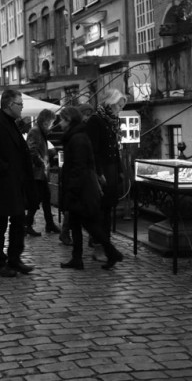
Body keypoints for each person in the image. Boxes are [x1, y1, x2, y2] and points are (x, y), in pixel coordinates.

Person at [0, 89, 36, 278]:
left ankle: (14, 258)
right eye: (20, 104)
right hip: (2, 185)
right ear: (10, 105)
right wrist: (4, 168)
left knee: (18, 221)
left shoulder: (10, 123)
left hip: (15, 184)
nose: (22, 108)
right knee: (0, 224)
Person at [58, 106, 124, 270]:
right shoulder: (76, 136)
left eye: (62, 119)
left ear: (69, 120)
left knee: (90, 225)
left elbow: (79, 167)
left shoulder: (78, 138)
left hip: (81, 190)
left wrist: (72, 189)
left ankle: (111, 252)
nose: (59, 123)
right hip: (80, 188)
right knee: (77, 224)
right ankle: (77, 258)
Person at [86, 88, 127, 261]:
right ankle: (99, 246)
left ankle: (106, 244)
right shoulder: (96, 120)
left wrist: (119, 171)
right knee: (100, 211)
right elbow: (93, 150)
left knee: (107, 208)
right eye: (118, 104)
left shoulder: (112, 121)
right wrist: (99, 172)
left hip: (111, 170)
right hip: (102, 170)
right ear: (110, 103)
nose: (120, 108)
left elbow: (115, 149)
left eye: (121, 105)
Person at [59, 103, 95, 247]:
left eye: (62, 120)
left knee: (80, 216)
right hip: (79, 183)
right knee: (84, 218)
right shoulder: (77, 135)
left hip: (78, 183)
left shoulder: (77, 134)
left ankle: (78, 252)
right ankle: (105, 247)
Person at [25, 109, 60, 237]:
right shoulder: (35, 131)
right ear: (45, 121)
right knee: (37, 199)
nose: (51, 125)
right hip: (36, 172)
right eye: (51, 122)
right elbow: (32, 150)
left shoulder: (40, 132)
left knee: (45, 197)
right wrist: (41, 162)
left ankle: (49, 223)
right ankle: (27, 225)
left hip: (41, 172)